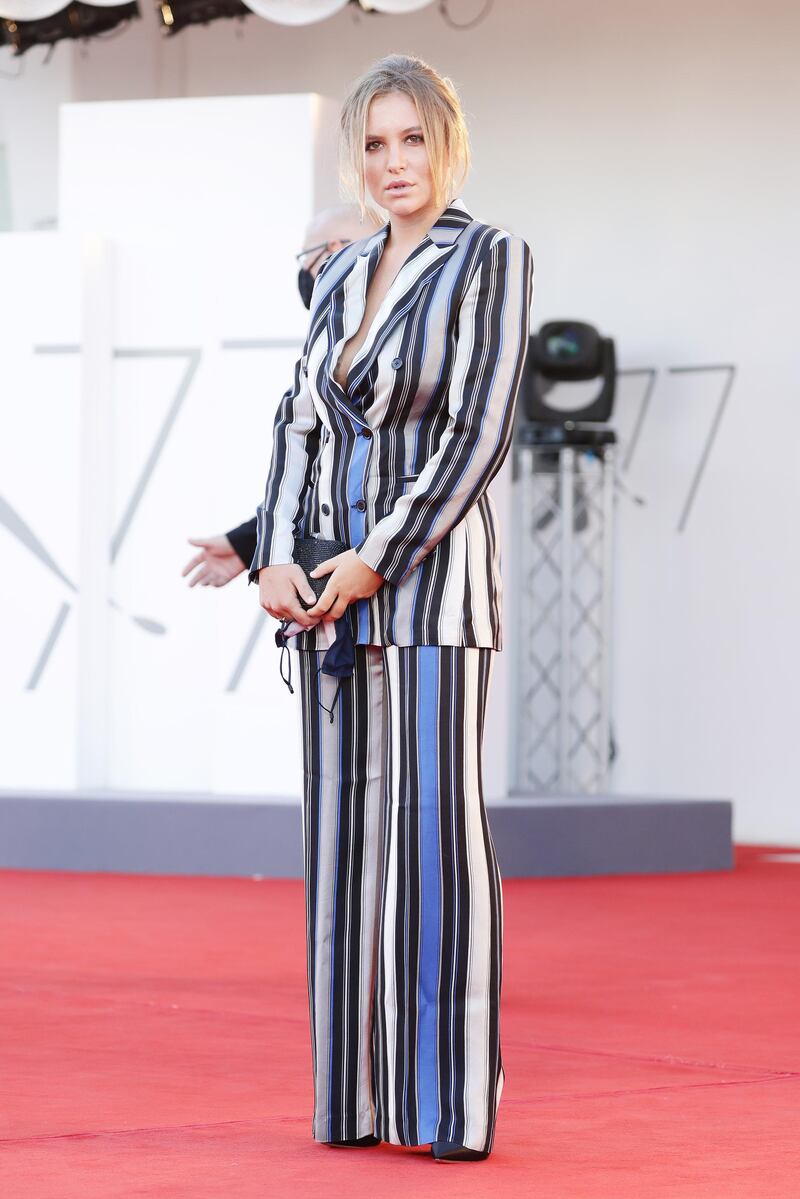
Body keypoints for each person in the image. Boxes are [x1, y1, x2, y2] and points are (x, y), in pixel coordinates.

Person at [250, 54, 534, 1163]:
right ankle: (355, 1100)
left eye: (411, 139)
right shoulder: (338, 271)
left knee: (434, 843)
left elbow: (474, 435)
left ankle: (447, 1106)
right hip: (326, 604)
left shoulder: (488, 258)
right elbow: (296, 423)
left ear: (446, 143)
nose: (394, 162)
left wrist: (373, 556)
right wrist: (279, 554)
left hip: (430, 594)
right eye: (374, 144)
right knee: (343, 851)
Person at [181, 204, 382, 589]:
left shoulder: (372, 343)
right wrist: (249, 543)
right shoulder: (329, 341)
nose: (304, 274)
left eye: (305, 258)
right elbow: (327, 468)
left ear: (333, 250)